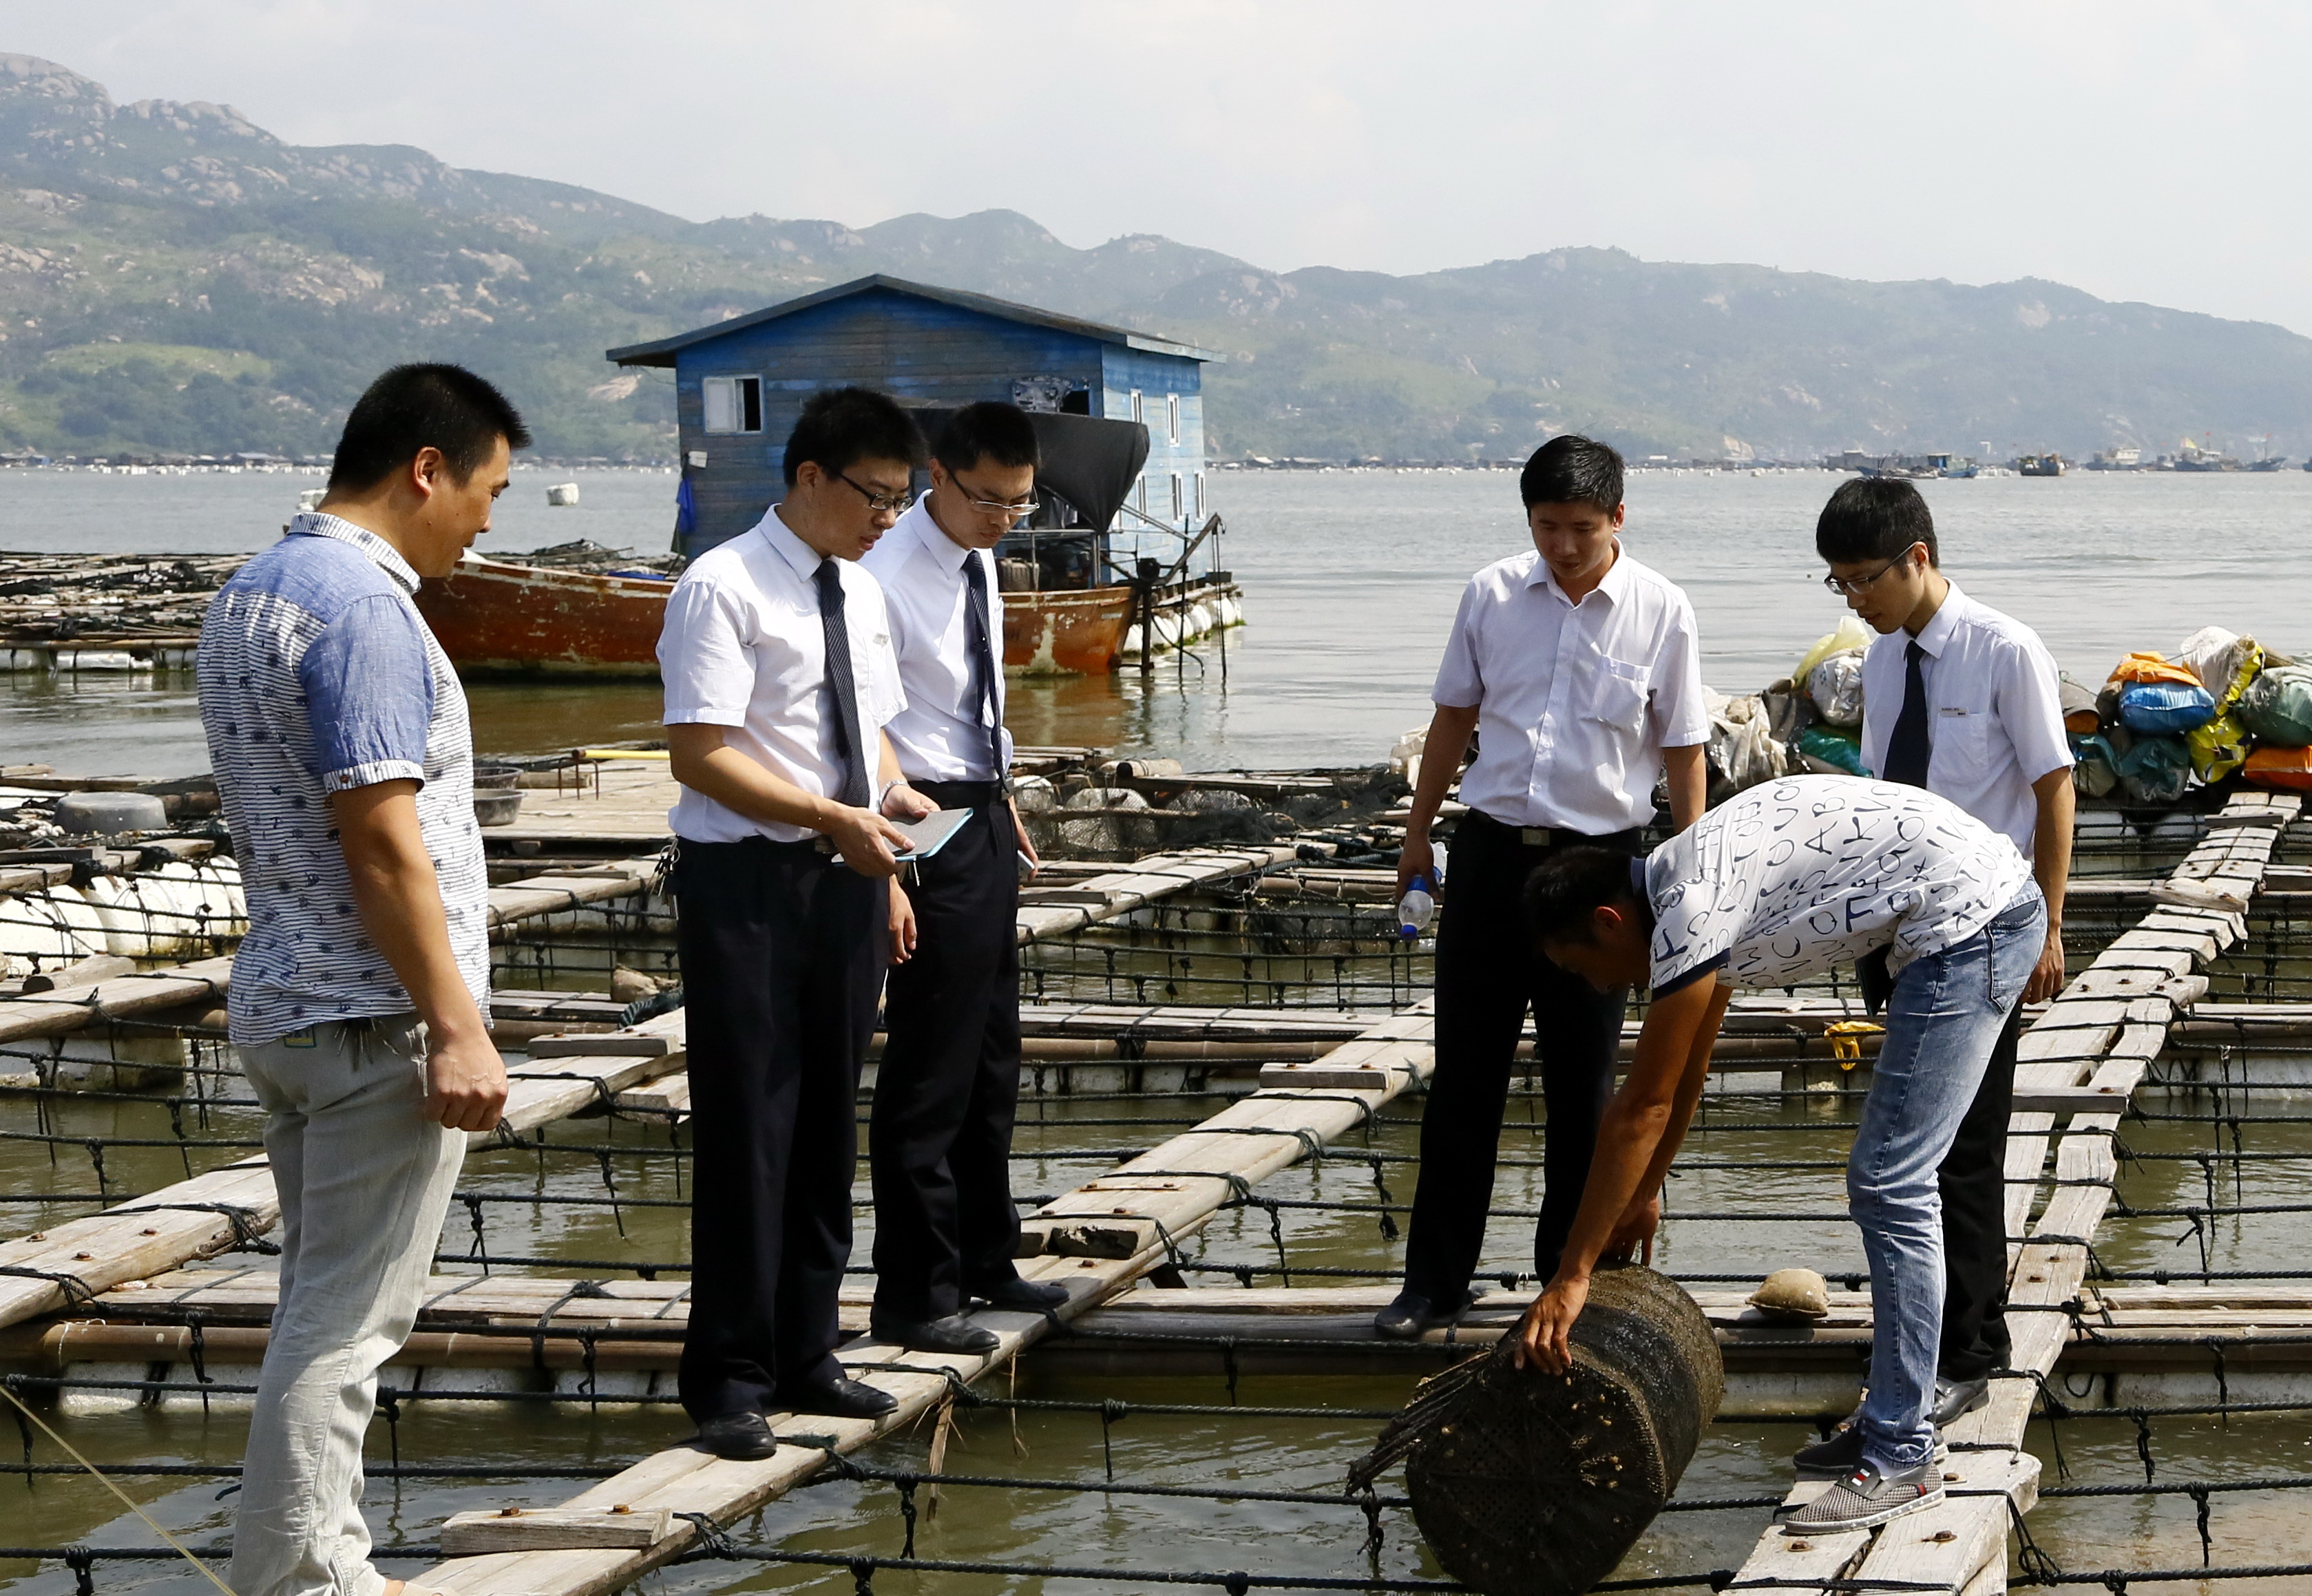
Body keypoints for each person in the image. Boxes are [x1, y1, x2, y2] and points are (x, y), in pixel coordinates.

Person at [1516, 775, 2046, 1535]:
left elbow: (1642, 1104)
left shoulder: (1688, 906)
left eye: (1585, 967)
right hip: (1962, 912)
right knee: (1889, 1176)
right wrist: (1646, 1189)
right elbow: (1690, 1063)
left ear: (1607, 920)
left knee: (1890, 1179)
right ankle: (1889, 1423)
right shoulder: (1677, 887)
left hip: (1971, 923)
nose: (1600, 984)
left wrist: (1571, 1274)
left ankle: (1902, 1453)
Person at [198, 364, 525, 1596]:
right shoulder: (364, 608)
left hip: (287, 999)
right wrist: (456, 1024)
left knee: (315, 1306)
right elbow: (380, 833)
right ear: (424, 469)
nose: (489, 521)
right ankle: (302, 1579)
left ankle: (318, 1558)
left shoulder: (252, 591)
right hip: (373, 1015)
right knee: (348, 1324)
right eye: (487, 490)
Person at [659, 386, 941, 1460]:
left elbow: (860, 733)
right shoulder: (721, 585)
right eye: (873, 496)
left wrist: (892, 802)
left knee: (828, 1114)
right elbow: (703, 752)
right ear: (809, 477)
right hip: (749, 886)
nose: (886, 518)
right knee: (750, 1123)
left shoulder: (861, 593)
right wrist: (831, 815)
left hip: (847, 880)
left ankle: (808, 1351)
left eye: (899, 499)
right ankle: (727, 1373)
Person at [1377, 434, 1710, 1340]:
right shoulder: (1490, 594)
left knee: (1583, 1082)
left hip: (1599, 866)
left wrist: (1688, 864)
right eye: (1546, 526)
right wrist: (1417, 835)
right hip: (1489, 855)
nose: (1562, 545)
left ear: (1617, 519)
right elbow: (1453, 717)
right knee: (1465, 1081)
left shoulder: (1660, 609)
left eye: (1580, 527)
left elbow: (1682, 745)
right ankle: (1432, 1284)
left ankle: (1566, 1281)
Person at [1818, 477, 2074, 1438]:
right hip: (1904, 932)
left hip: (1987, 930)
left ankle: (1966, 1352)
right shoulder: (1882, 662)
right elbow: (1889, 798)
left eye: (1864, 578)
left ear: (1916, 557)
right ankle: (1924, 1348)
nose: (1855, 598)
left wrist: (2048, 925)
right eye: (1837, 584)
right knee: (1908, 1152)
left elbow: (2053, 790)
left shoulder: (2003, 648)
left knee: (1963, 1152)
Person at [859, 401, 1070, 1353]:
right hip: (913, 811)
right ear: (936, 473)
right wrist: (888, 866)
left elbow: (974, 702)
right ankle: (915, 1292)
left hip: (977, 802)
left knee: (991, 1053)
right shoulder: (881, 575)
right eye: (988, 498)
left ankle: (989, 1255)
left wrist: (1003, 794)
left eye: (1020, 503)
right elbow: (859, 727)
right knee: (929, 1065)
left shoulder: (979, 559)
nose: (1001, 517)